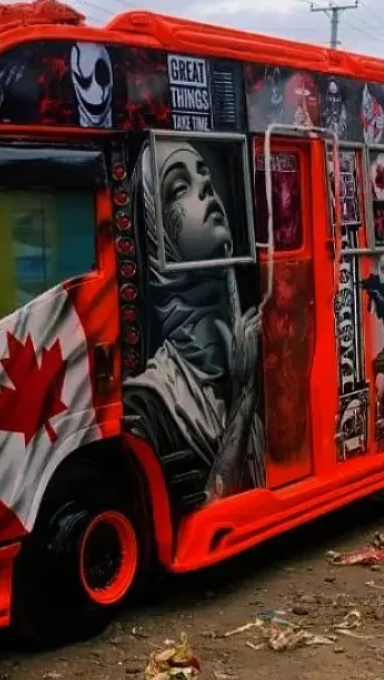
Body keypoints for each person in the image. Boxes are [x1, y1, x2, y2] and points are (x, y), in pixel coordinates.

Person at [122, 140, 266, 507]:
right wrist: (244, 393)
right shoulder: (148, 405)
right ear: (157, 236)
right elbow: (212, 506)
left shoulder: (255, 337)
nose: (205, 186)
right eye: (179, 188)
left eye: (205, 176)